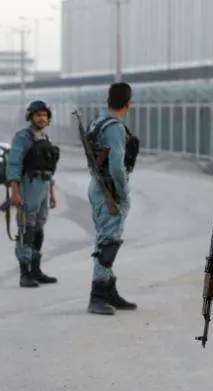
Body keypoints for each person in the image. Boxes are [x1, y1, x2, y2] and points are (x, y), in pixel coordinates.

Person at [85, 82, 138, 314]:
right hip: (109, 191)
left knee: (106, 239)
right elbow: (116, 165)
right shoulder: (114, 127)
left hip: (97, 186)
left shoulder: (97, 121)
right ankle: (97, 296)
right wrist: (123, 192)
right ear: (128, 103)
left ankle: (109, 290)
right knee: (108, 243)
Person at [5, 100, 60, 288]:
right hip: (28, 186)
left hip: (43, 186)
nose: (41, 118)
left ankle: (36, 270)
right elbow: (14, 164)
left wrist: (52, 193)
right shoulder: (22, 137)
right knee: (26, 228)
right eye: (38, 115)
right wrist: (15, 192)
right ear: (30, 117)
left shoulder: (45, 138)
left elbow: (49, 168)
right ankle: (24, 273)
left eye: (44, 115)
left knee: (39, 228)